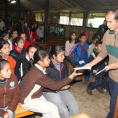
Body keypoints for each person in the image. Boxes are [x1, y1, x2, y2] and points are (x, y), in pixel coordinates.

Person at [20, 50, 82, 118]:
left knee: (49, 114)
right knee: (53, 109)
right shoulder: (38, 73)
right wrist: (71, 76)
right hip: (27, 100)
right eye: (47, 59)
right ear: (40, 62)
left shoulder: (38, 69)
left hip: (36, 95)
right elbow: (55, 86)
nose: (49, 60)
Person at [85, 9, 118, 118]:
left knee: (114, 104)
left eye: (110, 22)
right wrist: (91, 64)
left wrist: (116, 65)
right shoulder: (108, 34)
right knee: (114, 104)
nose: (107, 25)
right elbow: (103, 53)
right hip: (112, 76)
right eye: (106, 21)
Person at [43, 45, 79, 118]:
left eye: (64, 55)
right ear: (54, 56)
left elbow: (65, 76)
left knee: (74, 106)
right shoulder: (47, 65)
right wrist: (58, 88)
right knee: (63, 111)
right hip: (50, 90)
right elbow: (44, 85)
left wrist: (70, 80)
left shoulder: (63, 62)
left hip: (62, 87)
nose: (64, 57)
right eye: (61, 55)